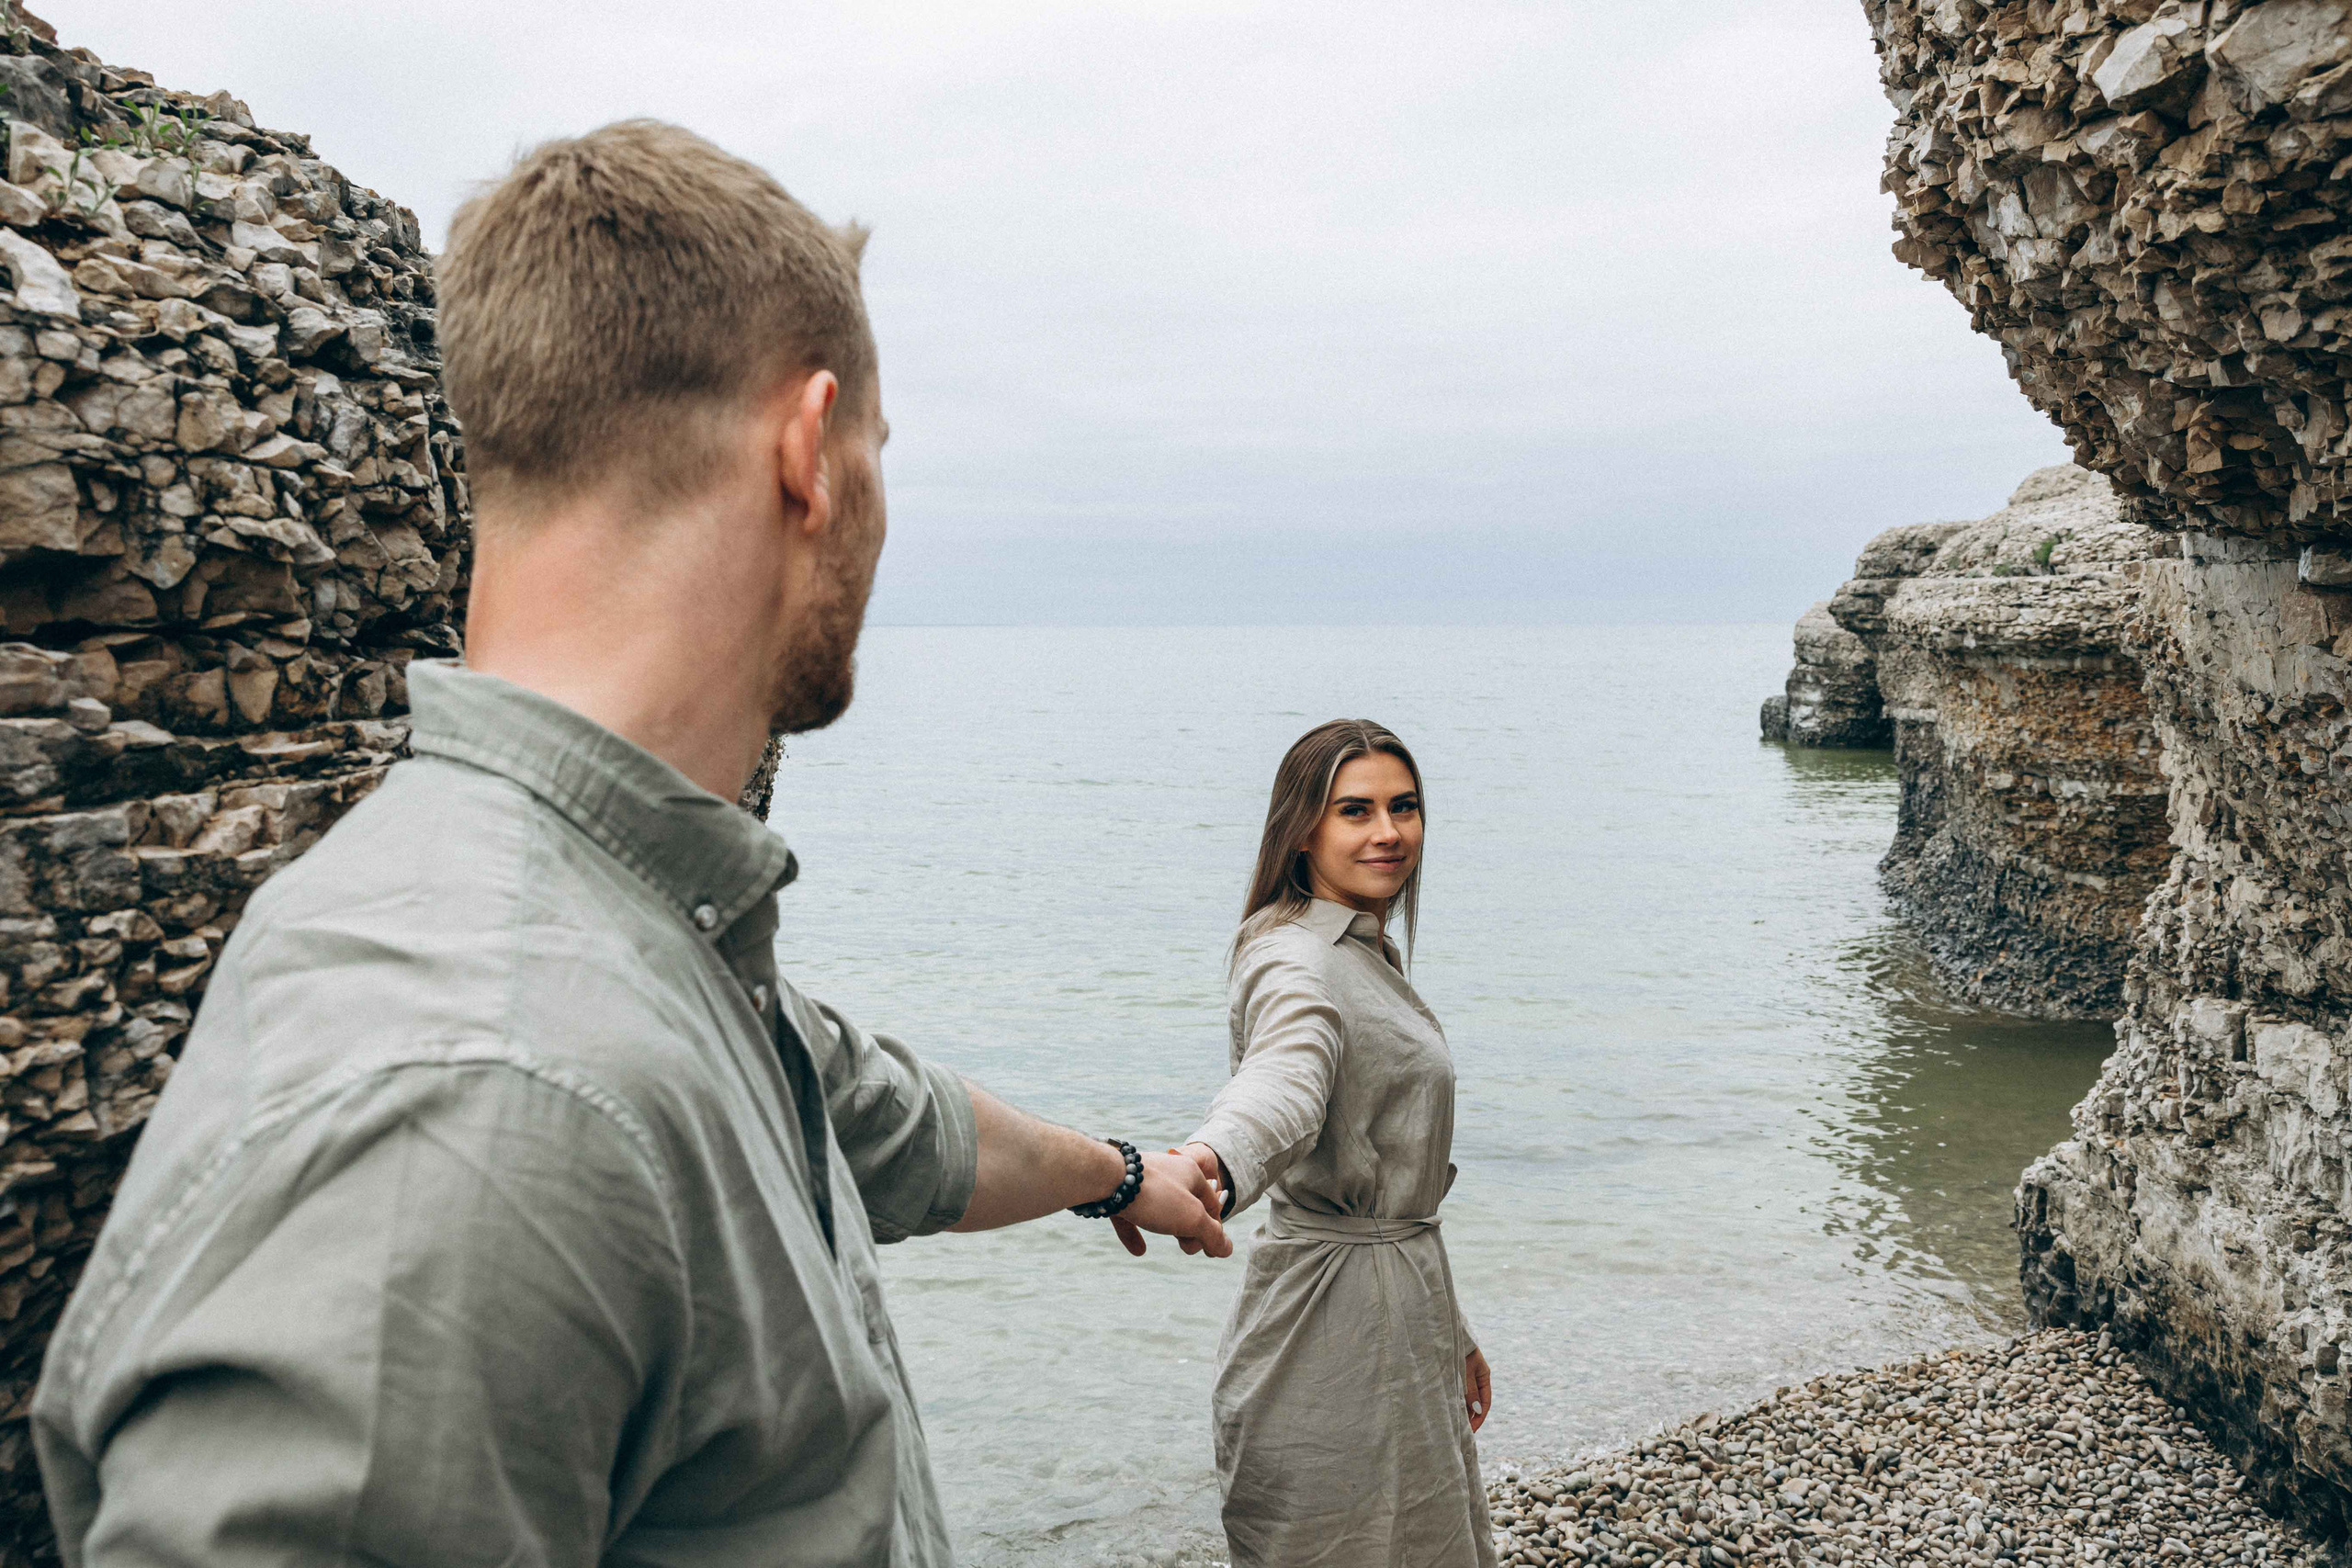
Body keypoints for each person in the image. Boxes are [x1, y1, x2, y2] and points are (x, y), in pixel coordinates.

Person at [30, 120, 1230, 1566]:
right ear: (811, 450)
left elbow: (887, 1121)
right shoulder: (483, 1082)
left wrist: (1116, 1171)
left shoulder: (649, 937)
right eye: (877, 451)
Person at [1181, 719, 1497, 1568]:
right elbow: (1283, 1080)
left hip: (1397, 1313)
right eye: (1354, 810)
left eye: (1405, 806)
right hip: (1325, 1339)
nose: (1388, 832)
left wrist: (1450, 1328)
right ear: (1303, 829)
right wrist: (1209, 1161)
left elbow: (1388, 1167)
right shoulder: (1294, 956)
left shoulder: (1361, 947)